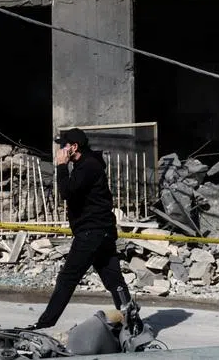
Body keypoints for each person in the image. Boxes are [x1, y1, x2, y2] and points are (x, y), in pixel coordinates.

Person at [29, 128, 140, 330]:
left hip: (92, 231)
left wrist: (61, 166)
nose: (60, 150)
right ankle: (134, 324)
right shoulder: (88, 164)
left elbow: (66, 192)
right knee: (113, 279)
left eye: (64, 145)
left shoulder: (88, 166)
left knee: (67, 278)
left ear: (74, 147)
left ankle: (44, 325)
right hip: (102, 231)